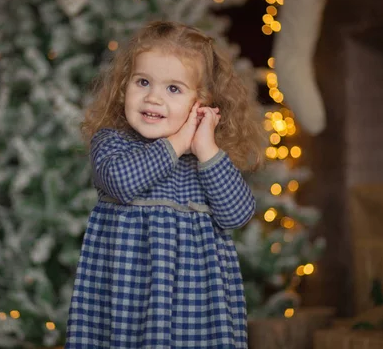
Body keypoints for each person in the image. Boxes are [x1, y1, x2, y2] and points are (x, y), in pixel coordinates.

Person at [65, 20, 265, 348]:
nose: (153, 98)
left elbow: (237, 214)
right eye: (143, 82)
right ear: (123, 87)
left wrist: (206, 149)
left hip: (196, 306)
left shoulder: (206, 161)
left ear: (200, 103)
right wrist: (179, 140)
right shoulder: (112, 143)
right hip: (126, 303)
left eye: (173, 89)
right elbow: (121, 182)